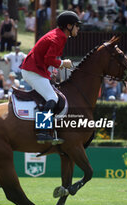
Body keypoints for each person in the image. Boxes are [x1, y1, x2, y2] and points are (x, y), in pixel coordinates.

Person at [20, 10, 81, 143]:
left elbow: (48, 59)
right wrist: (62, 63)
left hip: (36, 70)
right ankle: (42, 132)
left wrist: (55, 69)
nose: (78, 28)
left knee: (53, 95)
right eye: (77, 25)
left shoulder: (58, 35)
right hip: (33, 71)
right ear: (69, 26)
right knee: (52, 97)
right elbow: (49, 59)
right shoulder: (59, 37)